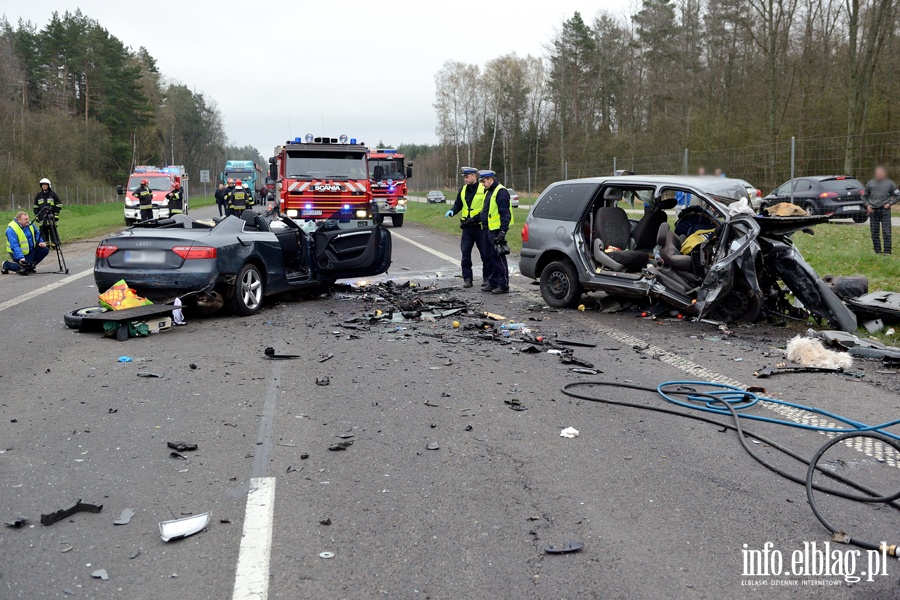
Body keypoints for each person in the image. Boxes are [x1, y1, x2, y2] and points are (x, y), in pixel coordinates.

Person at [444, 167, 487, 288]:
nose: (465, 179)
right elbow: (458, 204)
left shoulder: (483, 189)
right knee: (465, 254)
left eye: (467, 177)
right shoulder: (462, 190)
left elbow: (485, 209)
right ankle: (467, 279)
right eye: (464, 177)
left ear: (474, 176)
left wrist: (474, 219)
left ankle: (487, 279)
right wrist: (452, 211)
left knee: (485, 254)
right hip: (467, 229)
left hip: (479, 227)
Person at [478, 169, 513, 294]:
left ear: (490, 180)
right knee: (488, 257)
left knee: (498, 257)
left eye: (484, 181)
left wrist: (503, 232)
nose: (482, 184)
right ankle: (492, 282)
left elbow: (505, 213)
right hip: (487, 229)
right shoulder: (489, 191)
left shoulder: (501, 192)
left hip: (496, 230)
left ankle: (503, 285)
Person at [864, 165, 898, 255]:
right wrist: (867, 205)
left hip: (885, 210)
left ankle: (887, 252)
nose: (879, 174)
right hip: (873, 211)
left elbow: (898, 195)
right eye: (877, 173)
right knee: (874, 232)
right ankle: (877, 251)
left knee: (886, 232)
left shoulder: (890, 183)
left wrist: (890, 203)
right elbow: (864, 196)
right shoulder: (870, 183)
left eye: (880, 173)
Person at [33, 177, 62, 247]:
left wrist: (56, 214)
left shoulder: (53, 195)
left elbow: (59, 204)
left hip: (51, 217)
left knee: (53, 231)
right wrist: (37, 215)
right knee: (43, 232)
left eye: (45, 185)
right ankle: (46, 245)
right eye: (43, 185)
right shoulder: (38, 196)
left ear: (48, 185)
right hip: (42, 218)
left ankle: (55, 244)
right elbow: (35, 206)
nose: (44, 186)